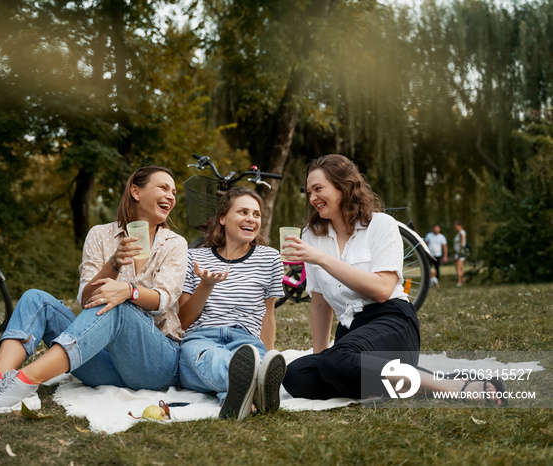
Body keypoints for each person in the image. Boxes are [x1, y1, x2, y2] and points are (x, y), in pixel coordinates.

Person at [0, 165, 188, 413]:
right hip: (101, 361)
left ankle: (23, 382)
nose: (171, 196)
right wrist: (113, 263)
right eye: (163, 188)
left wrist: (128, 291)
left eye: (174, 192)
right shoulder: (100, 235)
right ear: (136, 191)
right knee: (36, 298)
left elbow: (163, 300)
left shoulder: (175, 244)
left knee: (115, 304)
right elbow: (86, 299)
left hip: (154, 364)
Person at [281, 155, 506, 406]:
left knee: (338, 361)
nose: (312, 198)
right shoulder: (312, 236)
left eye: (319, 189)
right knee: (296, 375)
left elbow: (382, 290)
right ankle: (395, 383)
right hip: (351, 333)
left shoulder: (381, 225)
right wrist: (319, 359)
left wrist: (322, 259)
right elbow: (320, 303)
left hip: (392, 321)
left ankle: (455, 385)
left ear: (343, 186)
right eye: (309, 192)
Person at [178, 187, 286, 421]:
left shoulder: (270, 258)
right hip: (201, 340)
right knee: (202, 357)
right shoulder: (194, 258)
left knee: (245, 359)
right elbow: (184, 320)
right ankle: (256, 384)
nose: (251, 219)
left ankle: (243, 387)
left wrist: (267, 354)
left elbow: (268, 317)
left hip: (246, 342)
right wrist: (204, 286)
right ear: (223, 218)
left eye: (256, 214)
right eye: (243, 212)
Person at [453, 220, 467, 287]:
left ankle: (459, 281)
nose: (455, 229)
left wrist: (459, 253)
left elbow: (462, 244)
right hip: (458, 252)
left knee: (458, 268)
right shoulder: (460, 233)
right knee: (460, 268)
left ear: (459, 226)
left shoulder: (461, 233)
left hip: (460, 253)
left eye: (456, 227)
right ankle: (463, 279)